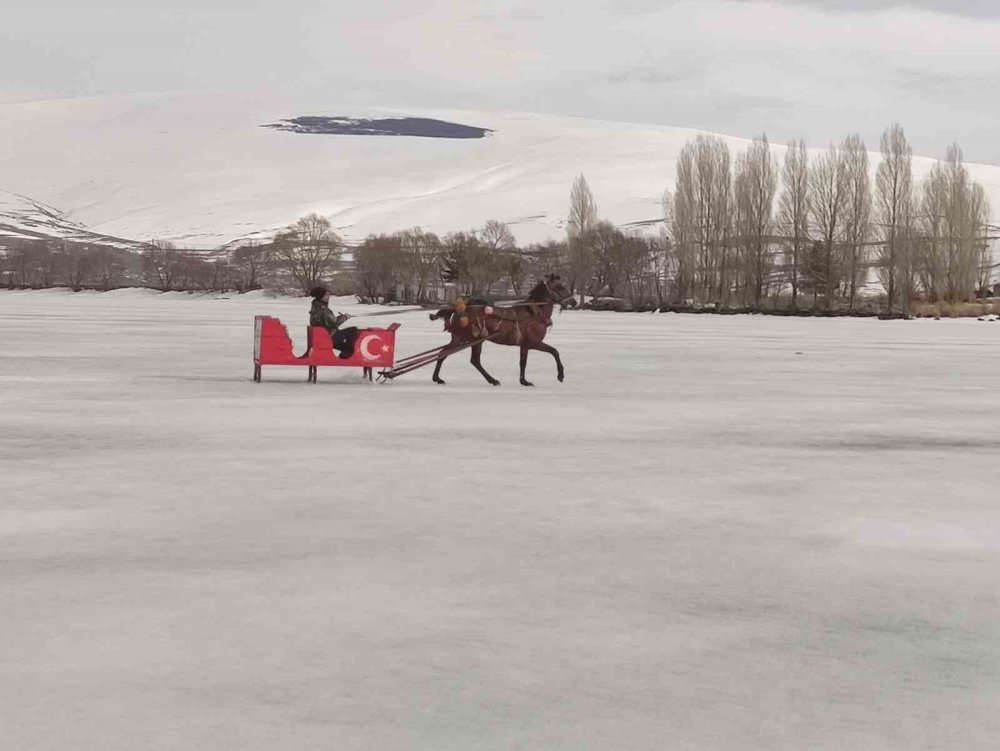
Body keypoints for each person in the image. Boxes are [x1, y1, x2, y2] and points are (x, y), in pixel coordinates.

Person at [309, 286, 358, 359]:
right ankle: (346, 354)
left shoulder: (316, 307)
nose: (328, 297)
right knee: (353, 330)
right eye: (326, 295)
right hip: (328, 337)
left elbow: (329, 321)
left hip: (322, 335)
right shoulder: (323, 309)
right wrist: (344, 317)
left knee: (347, 346)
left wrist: (342, 317)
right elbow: (334, 323)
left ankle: (346, 353)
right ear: (320, 296)